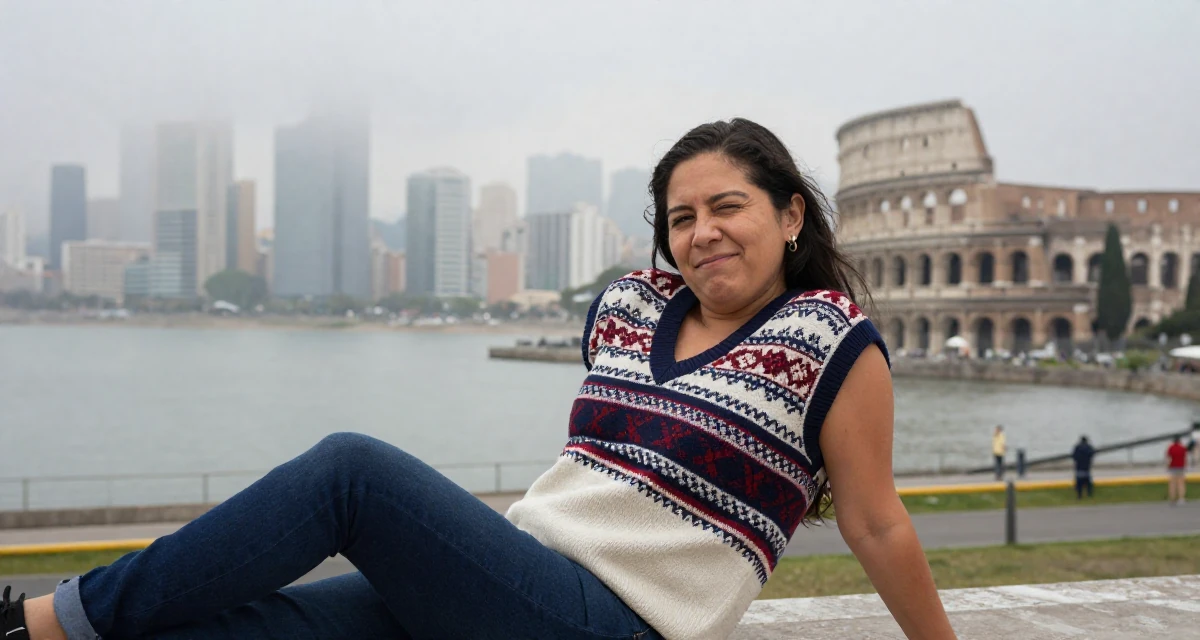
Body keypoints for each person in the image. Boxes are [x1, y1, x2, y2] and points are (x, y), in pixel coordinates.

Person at [0, 119, 956, 640]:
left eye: (728, 207)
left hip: (616, 626)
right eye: (679, 216)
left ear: (791, 215)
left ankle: (36, 621)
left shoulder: (831, 340)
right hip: (511, 584)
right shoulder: (627, 307)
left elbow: (874, 520)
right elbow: (595, 475)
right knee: (250, 623)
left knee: (351, 474)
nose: (701, 231)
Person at [1167, 436, 1188, 505]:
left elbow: (1168, 458)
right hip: (1181, 467)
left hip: (1173, 467)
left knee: (1172, 484)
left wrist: (1167, 466)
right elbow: (1185, 458)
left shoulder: (1170, 447)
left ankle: (1172, 499)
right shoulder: (1183, 448)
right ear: (1179, 441)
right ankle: (1181, 499)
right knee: (1181, 483)